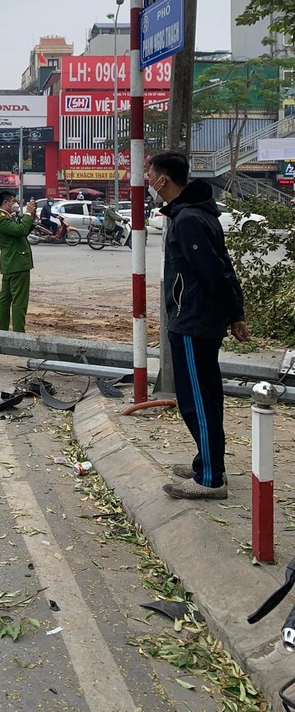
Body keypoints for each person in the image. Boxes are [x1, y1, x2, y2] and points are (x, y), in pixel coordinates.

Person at [146, 150, 250, 501]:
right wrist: (235, 313)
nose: (147, 179)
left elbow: (212, 272)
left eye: (149, 173)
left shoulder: (189, 218)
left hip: (193, 322)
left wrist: (232, 313)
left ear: (164, 179)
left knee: (198, 401)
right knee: (203, 397)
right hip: (196, 319)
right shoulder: (197, 213)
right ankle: (205, 461)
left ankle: (209, 478)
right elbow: (224, 266)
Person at [0, 191, 36, 332]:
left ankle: (1, 331)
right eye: (13, 201)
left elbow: (20, 233)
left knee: (5, 299)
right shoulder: (2, 218)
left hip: (10, 265)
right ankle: (18, 333)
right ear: (5, 203)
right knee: (19, 302)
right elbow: (20, 231)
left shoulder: (5, 217)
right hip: (17, 264)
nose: (15, 204)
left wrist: (32, 217)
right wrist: (28, 214)